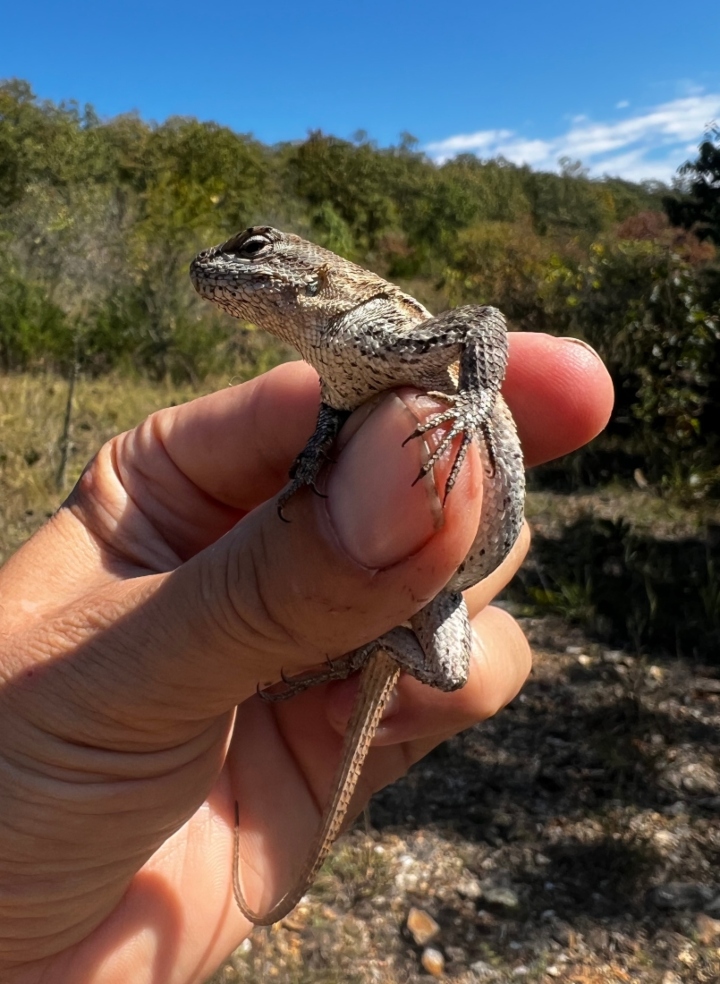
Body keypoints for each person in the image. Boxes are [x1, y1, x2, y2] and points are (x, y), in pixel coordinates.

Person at [0, 333, 613, 984]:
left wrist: (475, 400)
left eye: (258, 249)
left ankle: (367, 639)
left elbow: (484, 323)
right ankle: (364, 638)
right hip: (430, 567)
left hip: (448, 572)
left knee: (454, 671)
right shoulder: (338, 372)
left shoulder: (389, 328)